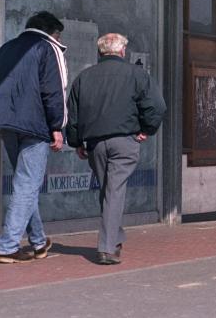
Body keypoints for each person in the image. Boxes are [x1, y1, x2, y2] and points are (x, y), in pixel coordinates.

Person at [0, 11, 69, 263]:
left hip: (5, 125)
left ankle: (39, 242)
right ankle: (8, 246)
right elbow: (54, 90)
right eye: (58, 34)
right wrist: (57, 126)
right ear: (53, 32)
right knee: (27, 185)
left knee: (25, 184)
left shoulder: (5, 49)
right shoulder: (48, 48)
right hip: (35, 126)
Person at [65, 33, 166, 265]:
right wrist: (147, 130)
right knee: (114, 190)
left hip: (96, 144)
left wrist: (77, 141)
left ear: (100, 52)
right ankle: (107, 248)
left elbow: (73, 114)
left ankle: (115, 238)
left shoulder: (84, 77)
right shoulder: (137, 75)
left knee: (109, 190)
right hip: (124, 140)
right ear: (122, 52)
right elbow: (157, 106)